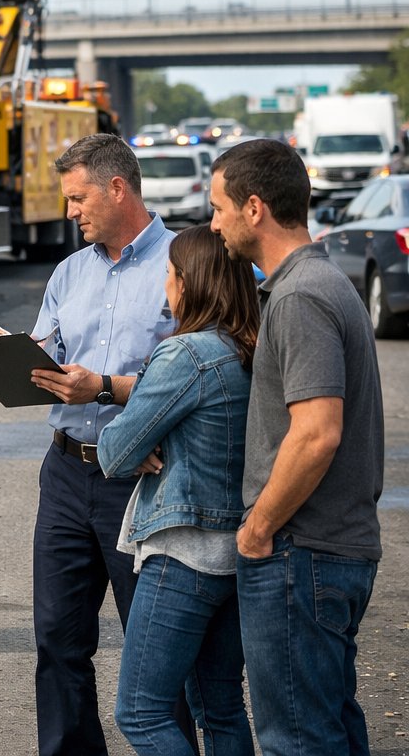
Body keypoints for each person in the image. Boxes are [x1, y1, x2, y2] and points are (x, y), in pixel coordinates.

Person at [209, 138, 383, 755]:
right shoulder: (318, 281)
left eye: (218, 207)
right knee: (330, 729)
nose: (214, 223)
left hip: (300, 553)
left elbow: (316, 432)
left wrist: (258, 530)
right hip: (325, 553)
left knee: (297, 740)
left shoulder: (302, 295)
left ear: (253, 208)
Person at [18, 133, 181, 756]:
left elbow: (206, 368)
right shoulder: (69, 271)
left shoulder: (183, 262)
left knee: (160, 648)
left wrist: (107, 389)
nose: (70, 212)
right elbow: (52, 354)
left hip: (146, 479)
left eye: (78, 198)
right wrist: (22, 360)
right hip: (65, 473)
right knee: (58, 639)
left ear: (118, 188)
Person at [97, 225, 259, 756]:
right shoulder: (247, 347)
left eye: (168, 273)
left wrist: (141, 431)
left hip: (184, 553)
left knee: (140, 711)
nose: (164, 284)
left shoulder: (185, 355)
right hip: (236, 553)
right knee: (221, 709)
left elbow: (116, 452)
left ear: (188, 283)